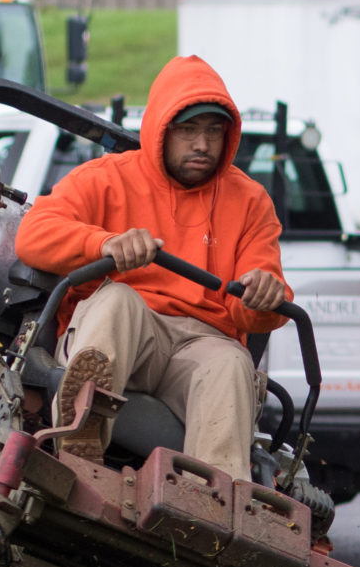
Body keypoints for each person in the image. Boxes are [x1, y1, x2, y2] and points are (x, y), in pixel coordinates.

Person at [15, 55, 289, 476]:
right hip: (129, 331)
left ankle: (216, 511)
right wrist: (104, 243)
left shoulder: (251, 201)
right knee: (118, 300)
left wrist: (264, 295)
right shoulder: (105, 178)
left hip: (202, 344)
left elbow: (255, 309)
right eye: (189, 130)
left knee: (232, 361)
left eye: (214, 131)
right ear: (161, 128)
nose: (202, 144)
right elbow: (32, 235)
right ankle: (80, 434)